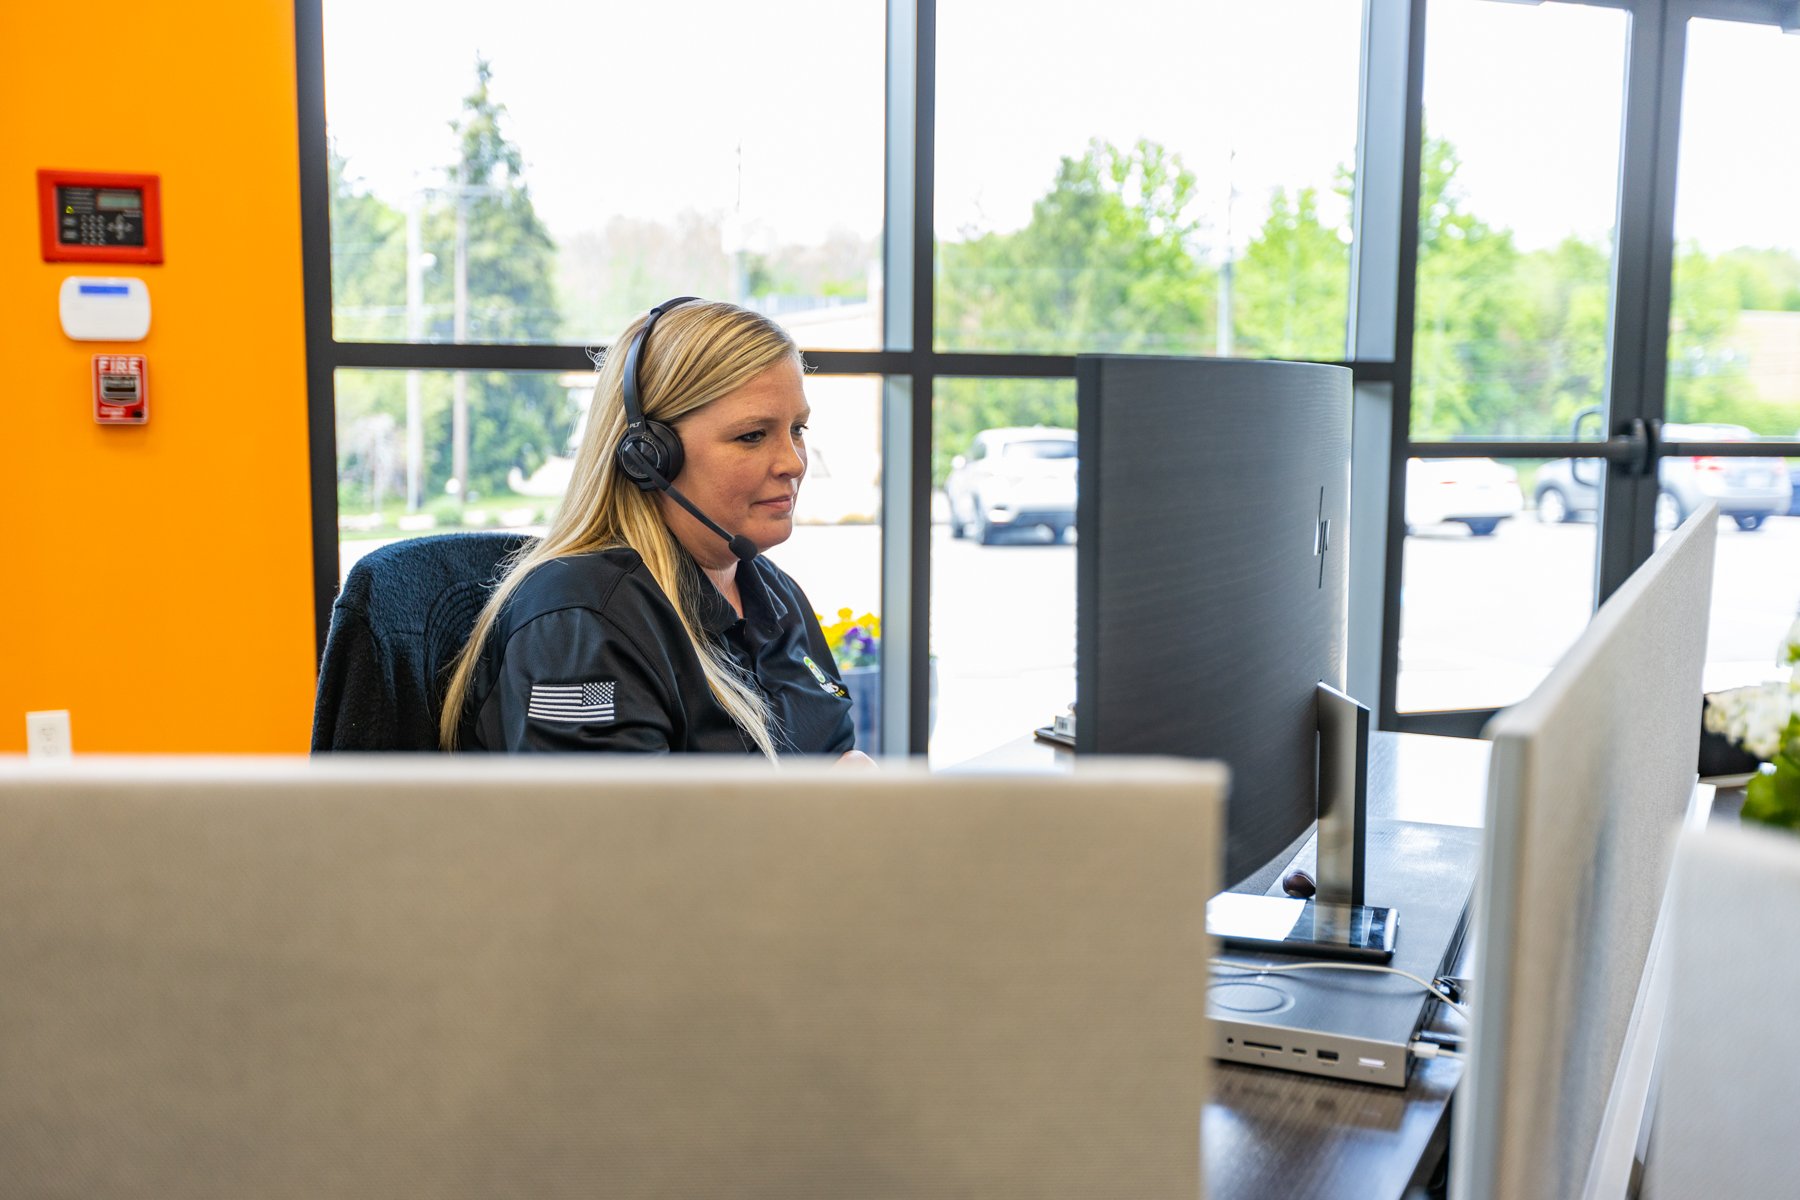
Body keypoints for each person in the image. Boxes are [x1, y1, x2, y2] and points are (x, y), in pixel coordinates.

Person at [439, 297, 869, 762]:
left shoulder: (774, 594)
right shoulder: (582, 623)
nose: (792, 462)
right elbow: (616, 832)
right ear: (648, 455)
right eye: (752, 435)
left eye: (798, 429)